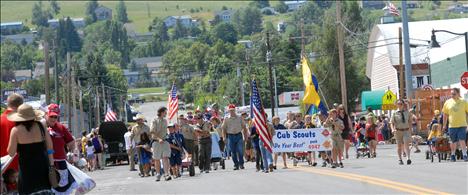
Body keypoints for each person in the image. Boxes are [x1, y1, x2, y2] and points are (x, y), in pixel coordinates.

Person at [7, 104, 54, 194]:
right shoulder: (41, 127)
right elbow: (50, 147)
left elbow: (11, 153)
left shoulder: (15, 130)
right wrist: (51, 163)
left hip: (26, 172)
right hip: (42, 168)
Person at [46, 103, 78, 193]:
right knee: (48, 188)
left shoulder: (61, 127)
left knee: (63, 188)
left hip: (60, 162)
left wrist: (70, 152)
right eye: (51, 116)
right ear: (46, 114)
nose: (53, 119)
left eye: (55, 117)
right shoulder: (41, 126)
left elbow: (71, 141)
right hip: (46, 162)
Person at [442, 88, 468, 161]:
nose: (452, 95)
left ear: (458, 94)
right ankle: (453, 155)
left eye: (454, 94)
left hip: (462, 125)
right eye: (451, 94)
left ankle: (465, 155)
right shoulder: (447, 102)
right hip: (452, 125)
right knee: (453, 141)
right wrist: (444, 125)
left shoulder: (463, 101)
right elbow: (445, 115)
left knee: (462, 139)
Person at [1, 93, 23, 173]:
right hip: (20, 168)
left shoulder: (1, 119)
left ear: (8, 103)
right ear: (21, 106)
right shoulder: (23, 122)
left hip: (3, 168)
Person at [221, 104, 248, 170]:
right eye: (230, 110)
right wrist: (224, 137)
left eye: (233, 110)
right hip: (230, 136)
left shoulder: (239, 117)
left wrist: (245, 136)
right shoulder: (226, 118)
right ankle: (236, 164)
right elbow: (223, 129)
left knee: (240, 151)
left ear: (235, 110)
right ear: (229, 111)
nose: (232, 111)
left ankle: (241, 163)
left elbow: (244, 127)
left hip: (239, 135)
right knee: (233, 151)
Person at [149, 107, 171, 181]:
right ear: (161, 112)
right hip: (156, 142)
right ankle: (158, 174)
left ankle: (166, 174)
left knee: (165, 157)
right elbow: (152, 132)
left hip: (165, 141)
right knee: (157, 159)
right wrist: (159, 139)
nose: (166, 113)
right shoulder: (154, 120)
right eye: (165, 112)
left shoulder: (165, 121)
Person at [390, 99, 413, 165]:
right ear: (396, 105)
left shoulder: (407, 112)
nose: (400, 105)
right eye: (398, 104)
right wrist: (392, 129)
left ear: (403, 105)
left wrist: (410, 130)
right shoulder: (394, 113)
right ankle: (400, 159)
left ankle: (408, 158)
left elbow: (410, 121)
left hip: (406, 130)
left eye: (401, 104)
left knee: (406, 144)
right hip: (398, 131)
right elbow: (391, 122)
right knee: (399, 146)